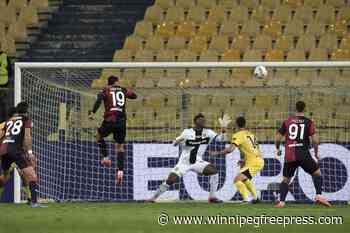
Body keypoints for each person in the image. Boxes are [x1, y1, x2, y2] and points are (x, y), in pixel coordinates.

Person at [148, 113, 231, 203]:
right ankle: (153, 198)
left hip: (197, 161)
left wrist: (223, 128)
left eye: (204, 120)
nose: (203, 122)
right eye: (201, 120)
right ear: (195, 122)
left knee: (214, 171)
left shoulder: (208, 132)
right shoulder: (187, 132)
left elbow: (222, 139)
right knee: (171, 180)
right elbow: (174, 143)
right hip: (184, 162)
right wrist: (178, 141)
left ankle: (212, 197)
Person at [275, 101, 331, 208]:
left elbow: (278, 137)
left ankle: (281, 202)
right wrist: (316, 153)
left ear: (295, 109)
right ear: (304, 109)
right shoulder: (309, 122)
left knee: (286, 179)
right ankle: (319, 195)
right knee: (317, 173)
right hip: (303, 154)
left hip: (290, 154)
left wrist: (277, 148)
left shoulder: (287, 121)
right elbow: (315, 140)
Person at [89, 76, 137, 184]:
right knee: (120, 147)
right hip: (122, 121)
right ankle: (120, 171)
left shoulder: (105, 90)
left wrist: (93, 112)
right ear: (116, 82)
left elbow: (99, 100)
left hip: (110, 119)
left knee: (98, 136)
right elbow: (134, 96)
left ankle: (105, 157)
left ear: (108, 82)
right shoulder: (122, 90)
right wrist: (126, 91)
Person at [0, 102, 45, 207]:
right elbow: (27, 137)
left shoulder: (7, 122)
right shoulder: (26, 120)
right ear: (26, 111)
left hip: (4, 150)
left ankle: (30, 199)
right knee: (32, 174)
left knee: (5, 176)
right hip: (15, 151)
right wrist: (29, 153)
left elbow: (3, 136)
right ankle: (34, 202)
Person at [209, 116, 264, 203]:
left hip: (254, 162)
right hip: (258, 160)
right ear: (245, 124)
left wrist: (216, 153)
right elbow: (253, 150)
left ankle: (246, 200)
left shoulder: (238, 135)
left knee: (237, 180)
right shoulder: (251, 134)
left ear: (236, 125)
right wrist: (244, 159)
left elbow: (230, 150)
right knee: (244, 179)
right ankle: (256, 198)